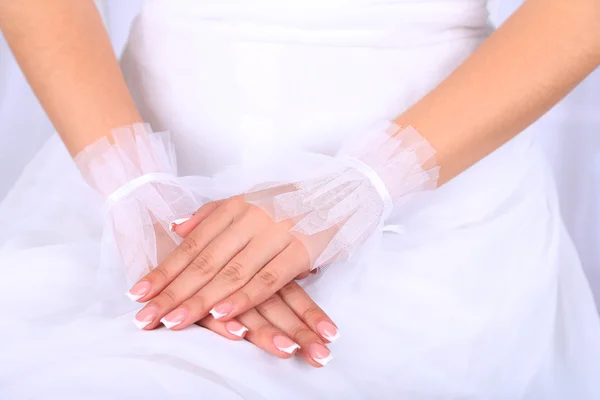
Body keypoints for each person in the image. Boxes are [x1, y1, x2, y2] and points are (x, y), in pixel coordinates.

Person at [0, 0, 599, 398]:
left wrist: (368, 183)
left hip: (439, 182)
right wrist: (135, 191)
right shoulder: (134, 194)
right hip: (125, 159)